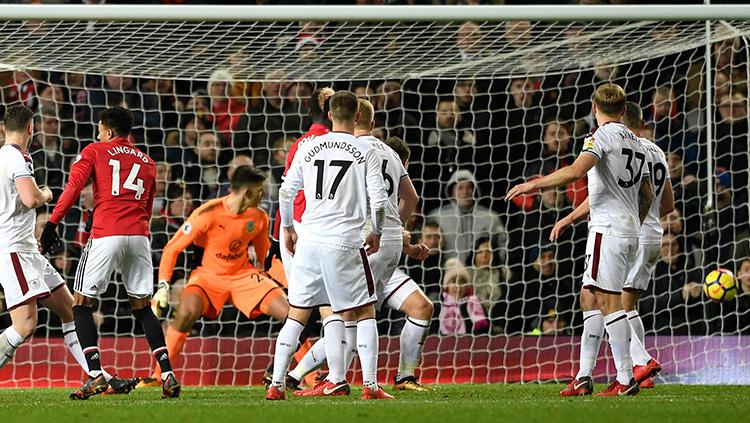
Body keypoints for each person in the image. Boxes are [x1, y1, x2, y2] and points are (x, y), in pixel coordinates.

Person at [507, 83, 654, 396]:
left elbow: (575, 172)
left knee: (609, 301)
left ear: (594, 108)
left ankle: (626, 378)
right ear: (625, 110)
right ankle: (584, 375)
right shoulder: (639, 143)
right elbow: (647, 194)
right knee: (588, 294)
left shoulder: (598, 137)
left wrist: (533, 185)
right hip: (626, 229)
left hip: (607, 230)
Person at [286, 108, 433, 393]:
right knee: (351, 319)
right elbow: (409, 199)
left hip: (361, 246)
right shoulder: (379, 154)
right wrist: (401, 238)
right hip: (370, 248)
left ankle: (394, 377)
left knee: (352, 318)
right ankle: (309, 375)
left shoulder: (346, 152)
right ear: (372, 122)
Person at [39, 106, 180, 399]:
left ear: (110, 131)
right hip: (140, 237)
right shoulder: (148, 162)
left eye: (100, 130)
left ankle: (94, 374)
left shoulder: (95, 151)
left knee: (80, 304)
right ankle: (167, 373)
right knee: (143, 309)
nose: (98, 134)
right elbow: (148, 205)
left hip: (106, 234)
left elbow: (74, 187)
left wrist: (53, 222)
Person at [0, 105, 133, 397]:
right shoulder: (16, 157)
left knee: (70, 310)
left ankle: (98, 377)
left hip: (25, 249)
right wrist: (48, 192)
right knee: (25, 325)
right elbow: (32, 198)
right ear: (32, 129)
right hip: (14, 250)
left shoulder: (4, 157)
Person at [266, 90, 390, 401]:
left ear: (330, 114)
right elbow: (378, 201)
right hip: (344, 242)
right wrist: (375, 230)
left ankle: (277, 385)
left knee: (298, 313)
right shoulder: (365, 151)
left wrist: (289, 229)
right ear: (358, 117)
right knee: (364, 311)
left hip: (308, 240)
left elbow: (285, 192)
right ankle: (371, 386)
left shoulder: (308, 146)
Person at [550, 102, 675, 392]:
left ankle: (636, 364)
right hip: (652, 234)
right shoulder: (654, 151)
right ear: (641, 125)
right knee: (614, 300)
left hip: (623, 232)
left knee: (608, 299)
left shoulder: (612, 143)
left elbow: (602, 190)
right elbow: (667, 205)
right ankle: (590, 374)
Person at [136, 166, 289, 388]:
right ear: (247, 193)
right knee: (185, 312)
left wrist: (290, 281)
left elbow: (265, 259)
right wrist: (163, 286)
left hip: (243, 276)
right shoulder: (208, 212)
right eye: (260, 190)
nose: (263, 195)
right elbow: (172, 249)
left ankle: (301, 377)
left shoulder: (259, 217)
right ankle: (159, 376)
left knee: (291, 315)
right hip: (208, 277)